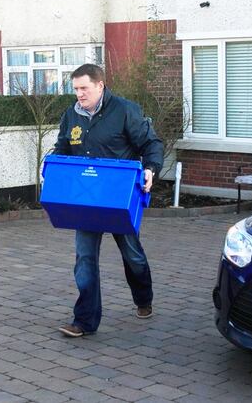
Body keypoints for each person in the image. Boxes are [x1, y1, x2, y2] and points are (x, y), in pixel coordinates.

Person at [52, 63, 163, 337]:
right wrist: (54, 166)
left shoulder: (124, 110)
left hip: (119, 198)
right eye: (75, 89)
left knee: (133, 255)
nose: (79, 94)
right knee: (85, 258)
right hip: (85, 198)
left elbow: (151, 144)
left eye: (84, 88)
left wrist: (150, 169)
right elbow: (63, 147)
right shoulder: (72, 115)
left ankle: (143, 297)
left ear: (100, 86)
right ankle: (84, 321)